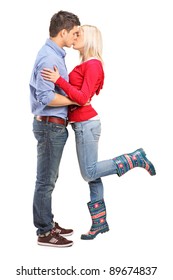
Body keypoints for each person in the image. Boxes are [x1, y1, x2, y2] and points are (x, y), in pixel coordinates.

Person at [41, 25, 156, 240]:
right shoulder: (86, 63)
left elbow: (83, 98)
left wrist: (58, 81)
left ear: (90, 39)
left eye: (79, 34)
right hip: (81, 124)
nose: (75, 37)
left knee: (89, 172)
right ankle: (99, 223)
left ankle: (134, 158)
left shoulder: (93, 65)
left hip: (87, 124)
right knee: (93, 175)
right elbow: (81, 96)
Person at [29, 11, 81, 247]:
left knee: (49, 178)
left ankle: (47, 221)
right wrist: (75, 100)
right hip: (50, 127)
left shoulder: (54, 55)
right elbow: (46, 97)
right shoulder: (49, 58)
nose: (76, 37)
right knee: (45, 180)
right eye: (74, 33)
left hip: (53, 127)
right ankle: (44, 232)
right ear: (63, 32)